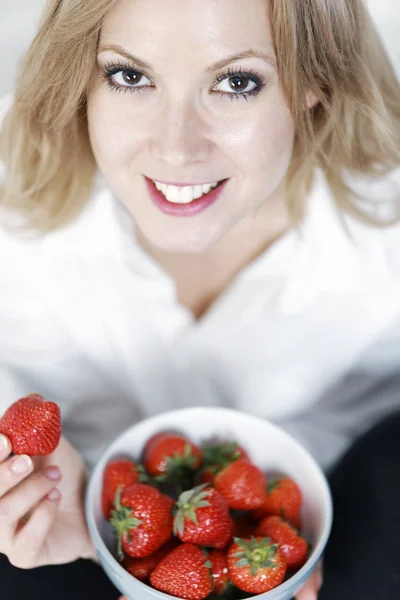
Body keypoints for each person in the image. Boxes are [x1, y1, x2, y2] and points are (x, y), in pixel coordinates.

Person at [0, 0, 399, 599]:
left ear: (316, 81)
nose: (176, 148)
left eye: (236, 82)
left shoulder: (385, 236)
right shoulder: (11, 199)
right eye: (130, 76)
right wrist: (48, 489)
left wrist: (293, 527)